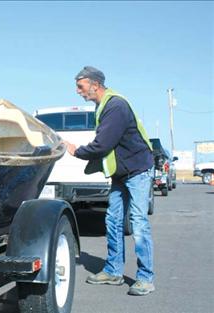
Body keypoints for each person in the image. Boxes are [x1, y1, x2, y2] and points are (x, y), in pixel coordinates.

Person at [66, 66, 155, 296]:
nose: (78, 91)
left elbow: (103, 144)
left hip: (137, 170)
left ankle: (145, 278)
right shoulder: (102, 106)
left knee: (138, 223)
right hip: (121, 173)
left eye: (80, 86)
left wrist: (76, 151)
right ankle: (114, 271)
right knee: (113, 220)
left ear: (95, 84)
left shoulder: (115, 106)